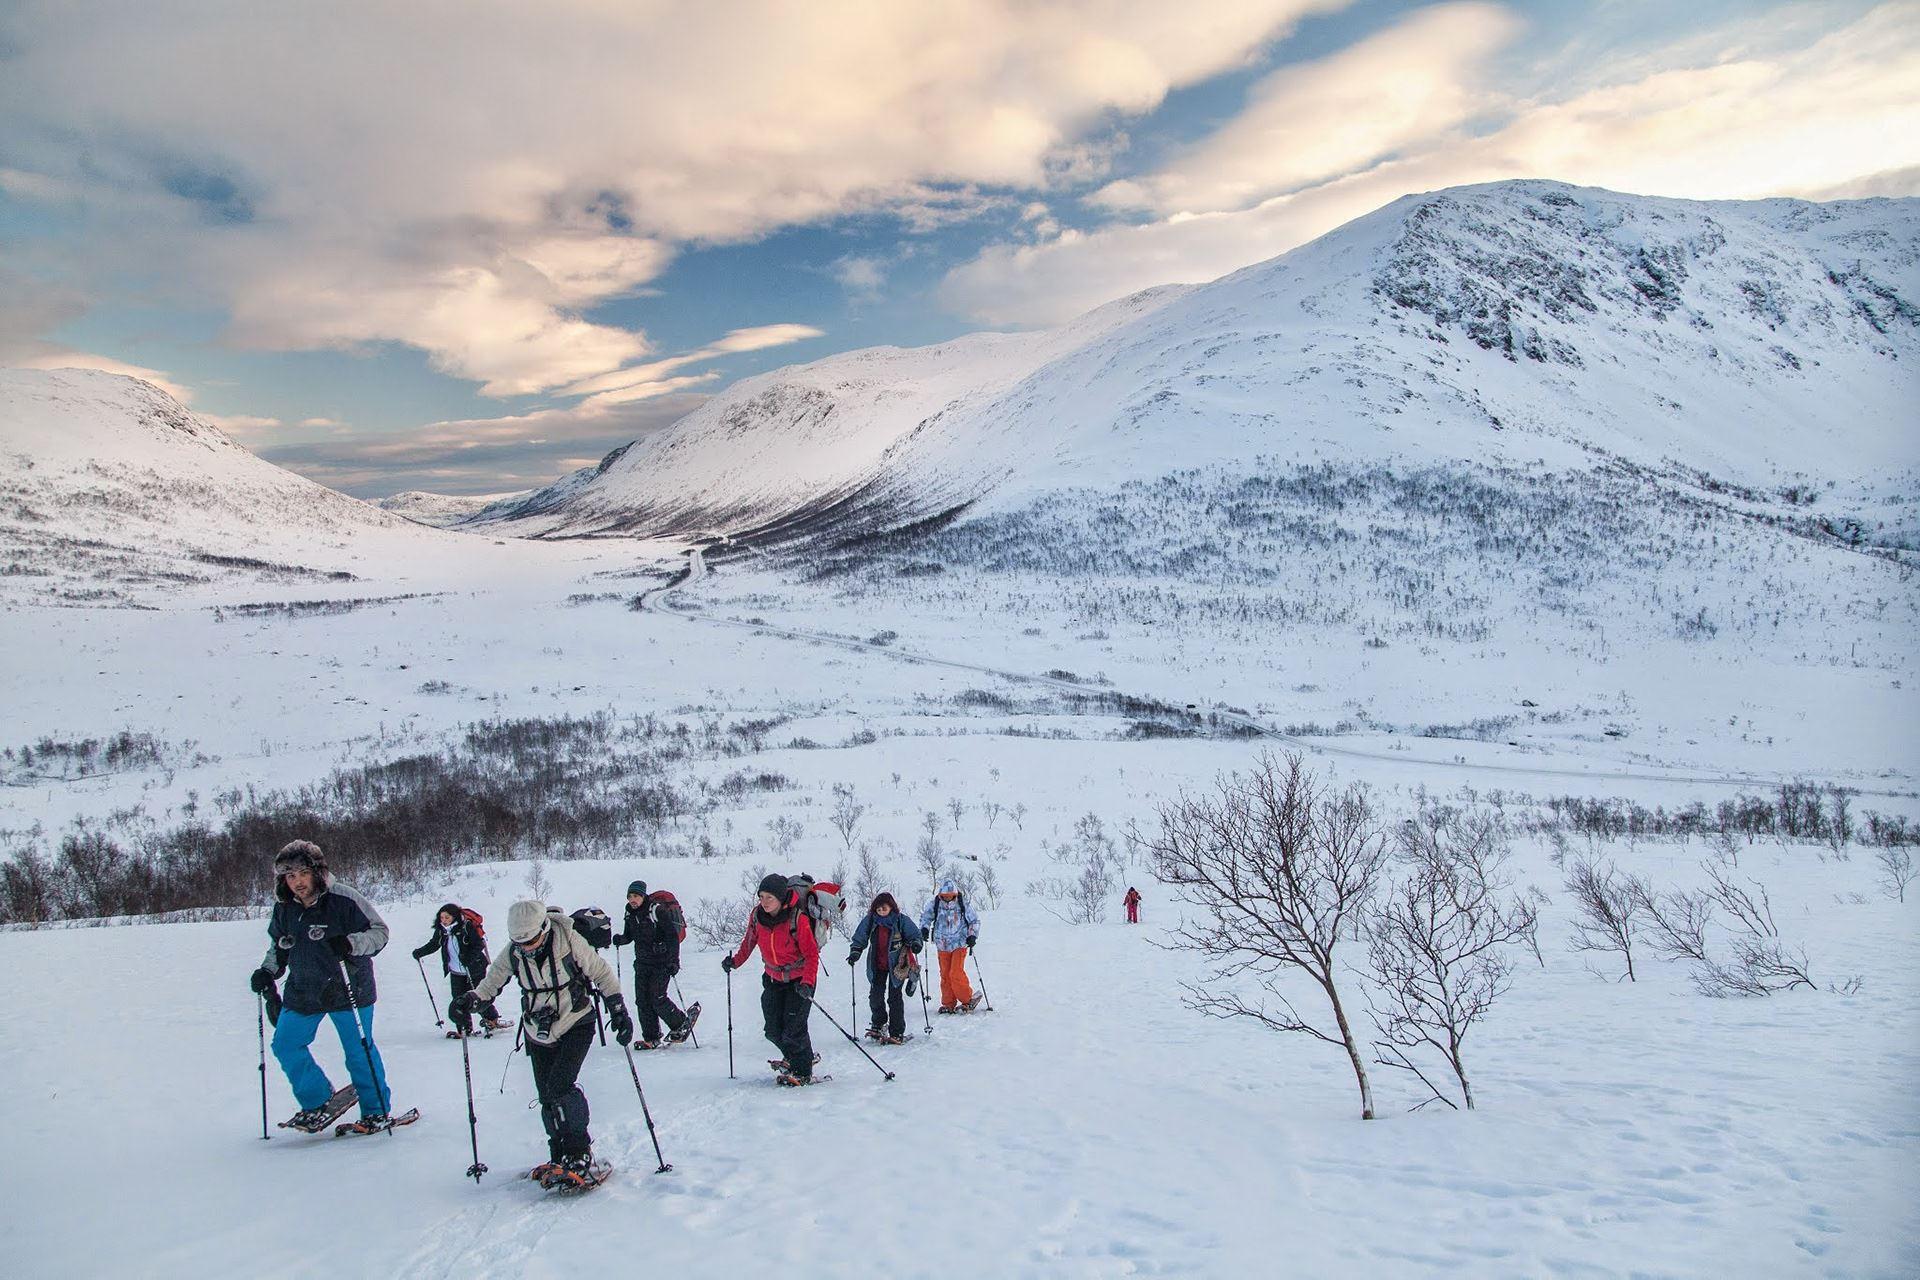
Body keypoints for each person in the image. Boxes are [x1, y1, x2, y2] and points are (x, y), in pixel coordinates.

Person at [454, 900, 632, 1189]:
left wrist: (618, 1008)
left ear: (544, 928)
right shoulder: (515, 951)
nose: (527, 947)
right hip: (538, 1028)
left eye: (532, 940)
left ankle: (579, 1153)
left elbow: (600, 972)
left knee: (561, 1087)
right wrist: (472, 999)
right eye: (520, 942)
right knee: (546, 1094)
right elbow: (494, 978)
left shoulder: (568, 937)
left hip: (576, 1020)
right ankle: (558, 1154)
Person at [248, 839, 396, 1133]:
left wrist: (351, 944)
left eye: (302, 873)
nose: (297, 882)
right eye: (290, 876)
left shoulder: (344, 898)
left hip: (348, 988)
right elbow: (280, 946)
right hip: (304, 989)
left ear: (317, 871)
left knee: (359, 1050)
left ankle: (376, 1111)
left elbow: (380, 933)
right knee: (286, 1044)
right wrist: (267, 972)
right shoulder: (284, 908)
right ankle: (316, 1098)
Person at [722, 873, 820, 1086]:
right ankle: (800, 1057)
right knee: (773, 1030)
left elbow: (812, 954)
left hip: (799, 980)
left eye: (769, 898)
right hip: (773, 978)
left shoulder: (797, 918)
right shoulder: (758, 916)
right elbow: (749, 941)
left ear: (781, 898)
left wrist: (808, 982)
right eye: (761, 897)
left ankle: (803, 1071)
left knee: (794, 1029)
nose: (764, 902)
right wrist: (735, 962)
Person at [611, 879, 699, 1049]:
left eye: (636, 896)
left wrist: (674, 961)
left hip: (662, 962)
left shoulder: (656, 910)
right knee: (642, 1001)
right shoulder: (630, 913)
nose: (632, 900)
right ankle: (651, 1038)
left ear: (643, 896)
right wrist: (620, 940)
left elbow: (672, 937)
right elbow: (629, 936)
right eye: (630, 896)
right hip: (642, 963)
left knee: (657, 998)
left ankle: (680, 1023)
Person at [410, 903, 506, 1037]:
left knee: (478, 996)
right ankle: (464, 1029)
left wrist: (469, 958)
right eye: (441, 917)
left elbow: (478, 945)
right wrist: (419, 952)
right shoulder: (442, 931)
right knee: (458, 1001)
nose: (443, 920)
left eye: (447, 917)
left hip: (474, 969)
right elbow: (434, 944)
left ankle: (492, 1020)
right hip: (456, 971)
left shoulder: (466, 926)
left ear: (454, 917)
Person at [846, 892, 923, 1043]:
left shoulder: (900, 920)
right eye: (878, 909)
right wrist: (855, 951)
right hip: (878, 964)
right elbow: (860, 936)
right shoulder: (871, 921)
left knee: (894, 998)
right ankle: (879, 1023)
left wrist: (916, 944)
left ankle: (896, 1031)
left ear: (891, 907)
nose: (881, 912)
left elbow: (915, 935)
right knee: (875, 996)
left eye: (884, 908)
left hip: (897, 966)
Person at [919, 878, 982, 1014]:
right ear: (940, 895)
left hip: (959, 943)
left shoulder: (962, 904)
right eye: (945, 896)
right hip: (942, 944)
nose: (948, 899)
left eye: (950, 896)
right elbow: (925, 917)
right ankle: (948, 1003)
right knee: (945, 975)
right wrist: (924, 928)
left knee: (955, 973)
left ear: (955, 894)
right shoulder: (934, 904)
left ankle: (967, 999)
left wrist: (972, 935)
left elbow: (975, 921)